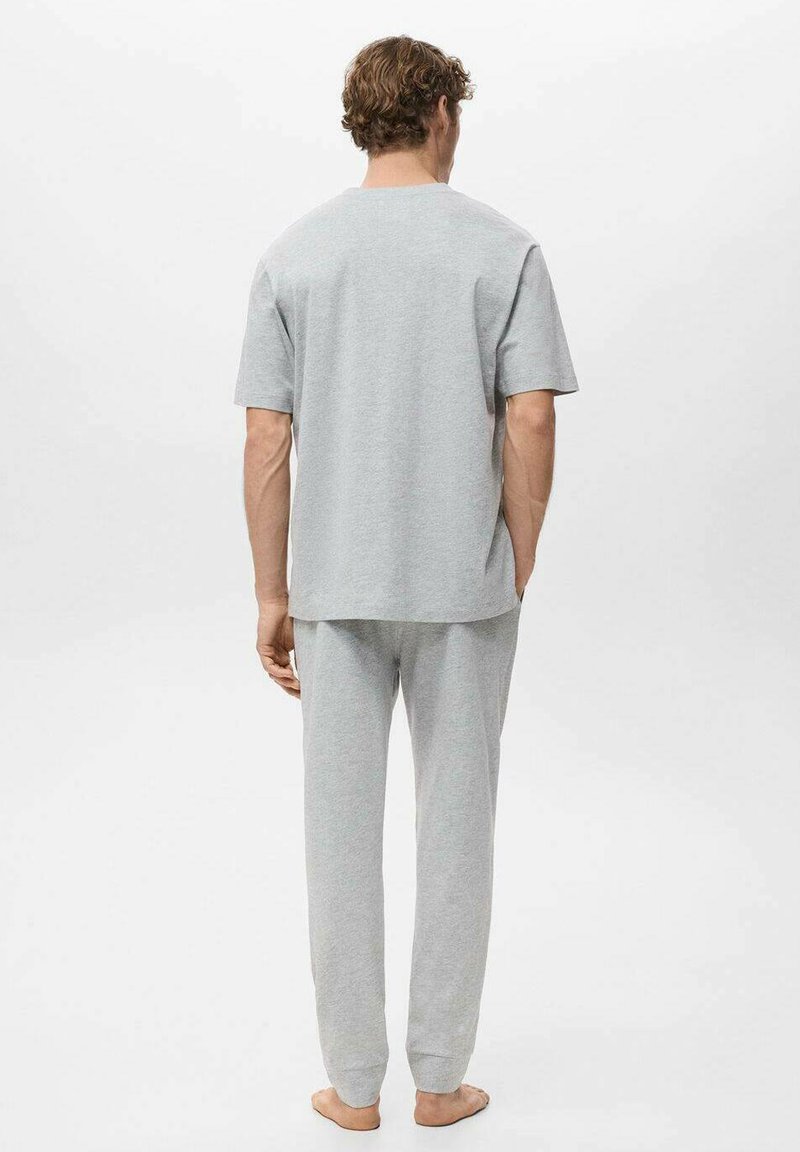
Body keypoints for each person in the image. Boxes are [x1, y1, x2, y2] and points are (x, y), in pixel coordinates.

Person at [234, 35, 578, 1132]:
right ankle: (438, 1080)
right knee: (456, 828)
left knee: (337, 838)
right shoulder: (503, 249)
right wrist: (519, 547)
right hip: (462, 588)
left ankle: (351, 1087)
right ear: (438, 112)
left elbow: (267, 436)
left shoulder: (294, 256)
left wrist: (272, 593)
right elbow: (530, 416)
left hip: (334, 590)